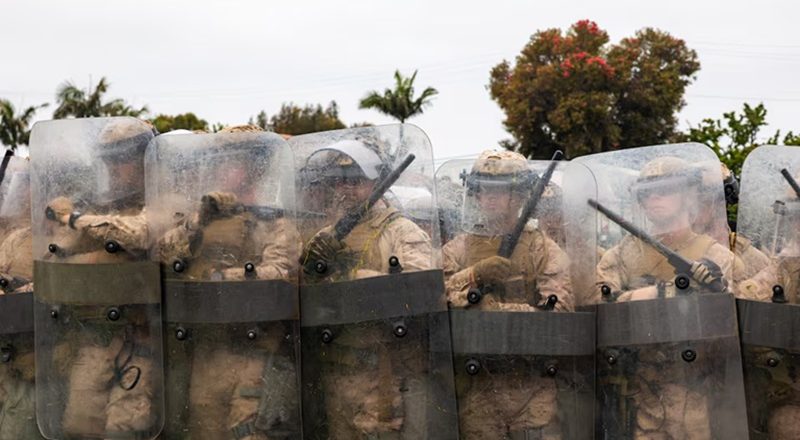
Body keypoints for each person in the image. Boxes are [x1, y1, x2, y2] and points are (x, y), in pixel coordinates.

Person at [295, 132, 457, 439]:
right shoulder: (326, 237)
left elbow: (421, 294)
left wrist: (350, 279)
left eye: (355, 181)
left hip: (385, 375)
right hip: (337, 372)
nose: (345, 189)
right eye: (339, 182)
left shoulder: (401, 232)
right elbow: (300, 299)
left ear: (375, 183)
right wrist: (311, 270)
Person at [154, 125, 302, 439]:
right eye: (217, 161)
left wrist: (222, 277)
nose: (222, 170)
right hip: (207, 350)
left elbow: (280, 274)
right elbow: (162, 255)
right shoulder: (202, 219)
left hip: (256, 353)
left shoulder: (276, 223)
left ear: (253, 167)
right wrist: (198, 224)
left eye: (231, 161)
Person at [32, 117, 163, 439]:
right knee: (79, 425)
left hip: (143, 340)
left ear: (145, 160)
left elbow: (138, 234)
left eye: (123, 159)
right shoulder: (100, 209)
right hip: (96, 338)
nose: (114, 168)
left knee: (126, 428)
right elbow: (57, 254)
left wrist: (74, 219)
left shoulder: (163, 202)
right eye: (109, 160)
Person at [594, 155, 739, 439]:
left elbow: (733, 325)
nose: (655, 197)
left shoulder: (717, 256)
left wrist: (711, 293)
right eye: (647, 192)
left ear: (688, 195)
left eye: (666, 189)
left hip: (704, 393)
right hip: (639, 390)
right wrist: (660, 293)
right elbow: (599, 303)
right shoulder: (623, 253)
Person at [439, 150, 574, 438]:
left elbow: (561, 314)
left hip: (532, 387)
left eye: (501, 190)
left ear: (522, 194)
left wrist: (493, 312)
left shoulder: (543, 249)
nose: (489, 197)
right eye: (483, 189)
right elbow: (434, 301)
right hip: (476, 386)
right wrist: (474, 275)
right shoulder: (457, 249)